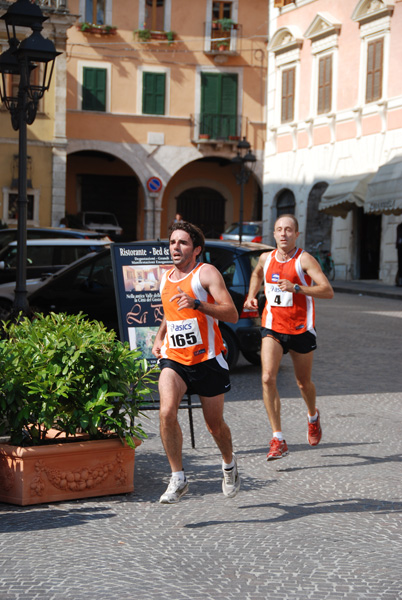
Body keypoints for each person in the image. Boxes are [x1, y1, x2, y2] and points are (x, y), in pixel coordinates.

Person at [152, 221, 241, 503]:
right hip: (174, 358)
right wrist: (159, 337)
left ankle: (229, 463)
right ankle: (178, 478)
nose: (175, 247)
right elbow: (170, 311)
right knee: (166, 411)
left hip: (208, 360)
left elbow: (232, 314)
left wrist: (198, 304)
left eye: (183, 243)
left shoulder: (206, 274)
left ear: (196, 249)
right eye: (172, 242)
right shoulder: (165, 278)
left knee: (214, 425)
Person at [244, 214, 334, 461]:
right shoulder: (265, 257)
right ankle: (278, 438)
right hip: (272, 326)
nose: (283, 234)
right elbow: (256, 273)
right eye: (279, 230)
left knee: (303, 383)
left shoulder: (304, 259)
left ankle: (313, 416)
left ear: (296, 234)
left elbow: (327, 291)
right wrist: (251, 295)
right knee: (266, 377)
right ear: (273, 234)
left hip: (301, 329)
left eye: (288, 230)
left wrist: (297, 288)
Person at [396, 222, 402, 287]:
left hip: (399, 246)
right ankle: (400, 281)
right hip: (400, 247)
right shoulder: (399, 227)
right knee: (400, 265)